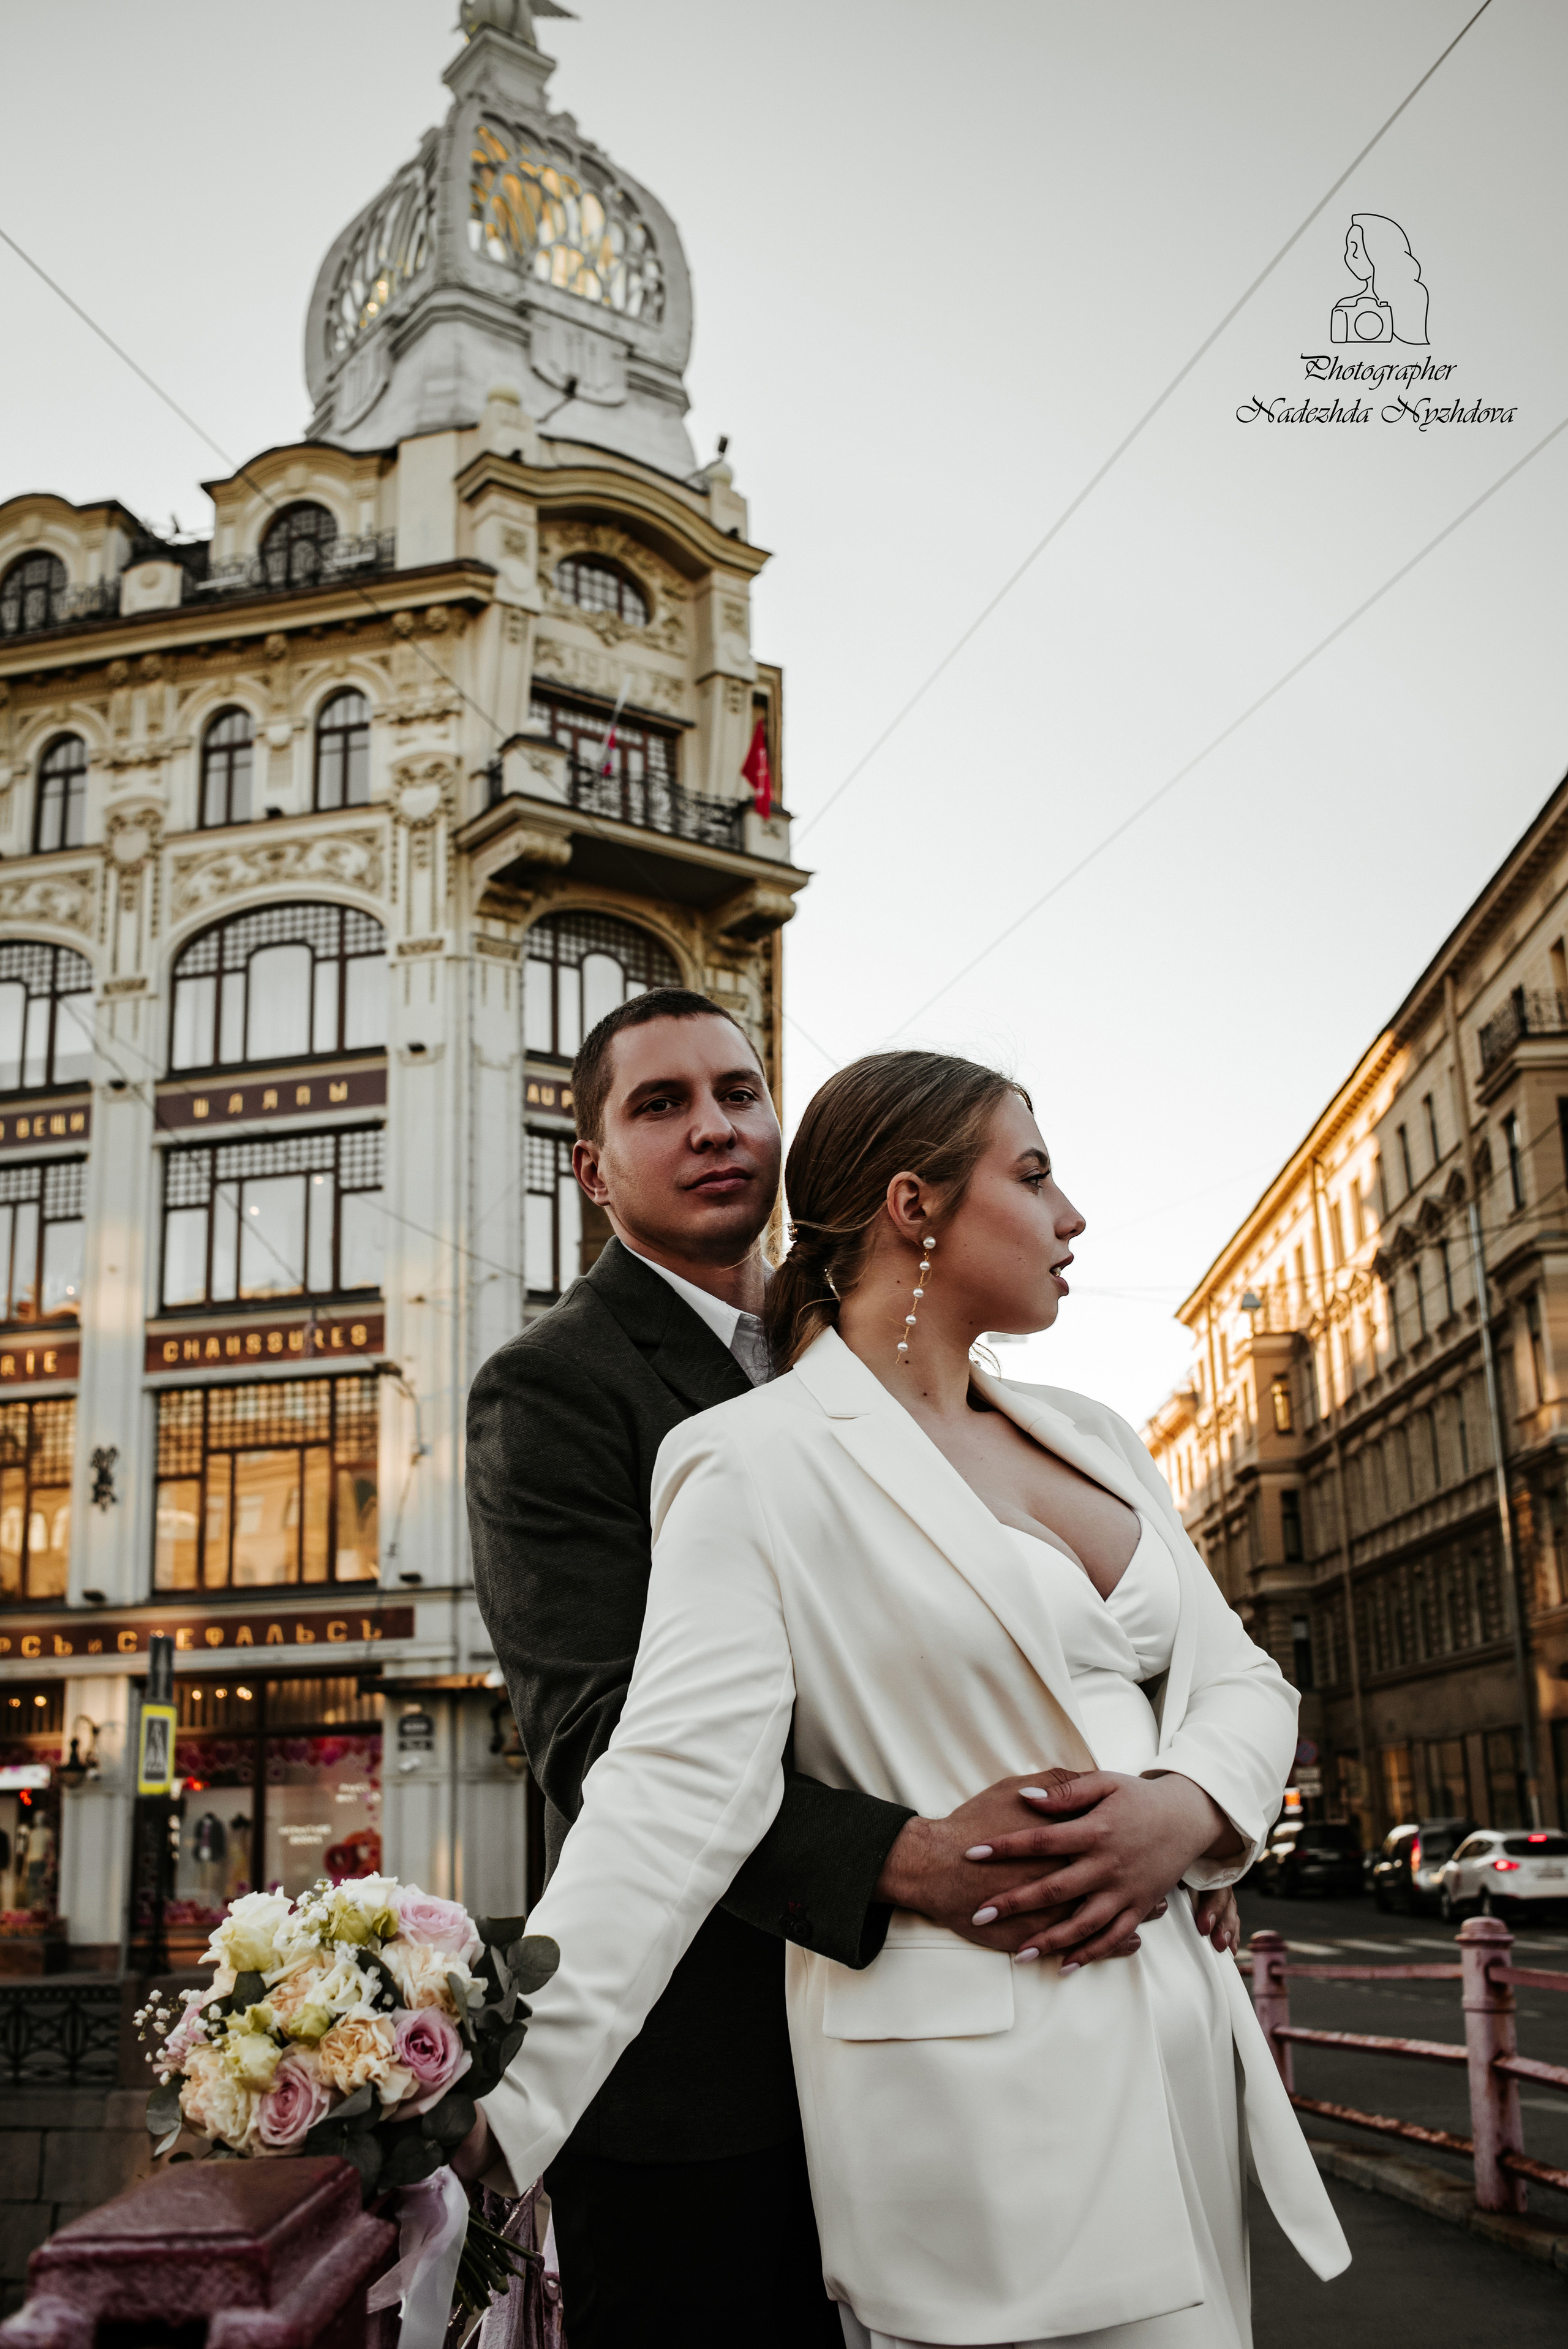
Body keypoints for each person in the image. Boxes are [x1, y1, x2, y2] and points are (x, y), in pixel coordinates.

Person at [466, 1043, 1340, 2345]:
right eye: (1033, 1175)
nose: (1071, 1215)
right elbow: (660, 1791)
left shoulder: (1091, 1431)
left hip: (1173, 2059)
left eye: (736, 1094)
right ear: (912, 1205)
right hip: (972, 2103)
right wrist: (493, 2111)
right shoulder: (744, 1461)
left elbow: (1242, 1678)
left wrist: (1189, 1813)